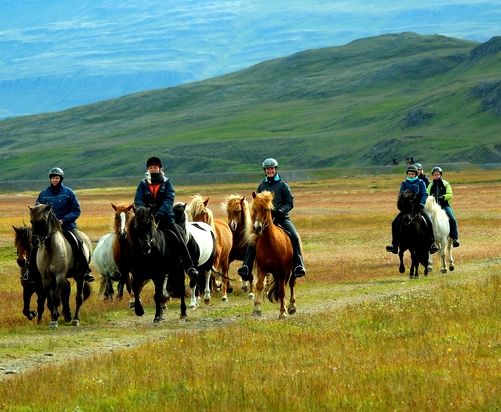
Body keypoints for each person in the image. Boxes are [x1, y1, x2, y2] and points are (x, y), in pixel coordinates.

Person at [237, 158, 306, 280]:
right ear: (265, 171)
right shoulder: (261, 186)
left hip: (281, 218)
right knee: (253, 239)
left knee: (294, 237)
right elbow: (256, 203)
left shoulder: (283, 185)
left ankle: (299, 265)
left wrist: (280, 211)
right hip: (263, 220)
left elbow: (290, 203)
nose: (270, 171)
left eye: (272, 169)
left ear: (275, 170)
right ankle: (246, 266)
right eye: (268, 169)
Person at [21, 167, 94, 282]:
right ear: (50, 179)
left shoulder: (68, 192)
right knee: (34, 245)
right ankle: (31, 272)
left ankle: (85, 270)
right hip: (46, 229)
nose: (55, 180)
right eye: (53, 178)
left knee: (78, 242)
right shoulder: (43, 194)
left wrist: (63, 220)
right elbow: (36, 210)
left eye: (57, 178)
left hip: (66, 226)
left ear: (61, 179)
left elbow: (76, 210)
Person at [134, 156, 199, 285]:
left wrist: (159, 212)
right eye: (151, 167)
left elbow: (169, 198)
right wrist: (145, 210)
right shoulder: (142, 184)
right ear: (148, 169)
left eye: (155, 167)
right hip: (147, 219)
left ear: (160, 168)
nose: (153, 169)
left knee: (179, 237)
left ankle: (189, 266)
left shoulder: (166, 182)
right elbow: (138, 199)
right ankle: (126, 266)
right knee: (132, 236)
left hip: (165, 218)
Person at [386, 165, 440, 255]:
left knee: (429, 222)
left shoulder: (421, 182)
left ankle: (432, 243)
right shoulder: (404, 183)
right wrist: (402, 205)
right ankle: (394, 245)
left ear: (416, 174)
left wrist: (421, 204)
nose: (410, 175)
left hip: (418, 207)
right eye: (409, 174)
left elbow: (424, 194)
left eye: (412, 174)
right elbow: (400, 195)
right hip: (407, 209)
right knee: (394, 223)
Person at [427, 166, 460, 248]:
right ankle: (428, 239)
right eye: (435, 175)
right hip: (434, 207)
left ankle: (455, 238)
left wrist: (443, 197)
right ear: (433, 175)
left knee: (452, 218)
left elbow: (450, 194)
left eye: (438, 174)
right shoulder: (430, 185)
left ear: (441, 175)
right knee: (426, 219)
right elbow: (427, 195)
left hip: (444, 205)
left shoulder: (446, 184)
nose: (436, 176)